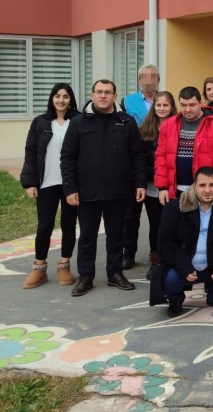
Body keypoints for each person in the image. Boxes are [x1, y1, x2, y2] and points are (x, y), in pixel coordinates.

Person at [61, 79, 147, 297]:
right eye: (99, 92)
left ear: (115, 97)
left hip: (119, 190)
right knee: (87, 236)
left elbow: (138, 155)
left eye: (108, 92)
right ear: (92, 95)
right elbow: (68, 157)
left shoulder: (126, 122)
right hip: (87, 191)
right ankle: (86, 277)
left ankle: (115, 273)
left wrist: (139, 183)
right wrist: (70, 188)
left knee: (116, 235)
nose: (103, 96)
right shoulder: (78, 122)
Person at [155, 167, 213, 317]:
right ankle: (175, 301)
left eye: (212, 185)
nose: (207, 190)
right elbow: (165, 243)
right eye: (202, 185)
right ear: (194, 185)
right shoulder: (174, 208)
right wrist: (184, 266)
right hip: (184, 264)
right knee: (168, 278)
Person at [20, 83, 80, 289]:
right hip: (46, 182)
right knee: (44, 225)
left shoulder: (78, 121)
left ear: (70, 100)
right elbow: (31, 152)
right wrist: (29, 182)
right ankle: (39, 267)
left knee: (68, 225)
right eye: (57, 96)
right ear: (52, 98)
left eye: (65, 96)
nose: (61, 100)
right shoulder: (40, 122)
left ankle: (64, 265)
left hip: (71, 183)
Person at [124, 91, 176, 278]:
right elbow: (138, 158)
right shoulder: (144, 129)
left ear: (172, 107)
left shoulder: (178, 128)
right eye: (158, 105)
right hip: (148, 184)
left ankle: (162, 257)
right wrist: (143, 180)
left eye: (165, 105)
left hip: (169, 185)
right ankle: (142, 255)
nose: (161, 108)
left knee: (164, 223)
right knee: (142, 221)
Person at [155, 86, 213, 203]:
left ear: (200, 103)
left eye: (192, 105)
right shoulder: (169, 125)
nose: (187, 109)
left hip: (205, 191)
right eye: (183, 105)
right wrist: (162, 187)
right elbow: (161, 157)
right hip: (174, 190)